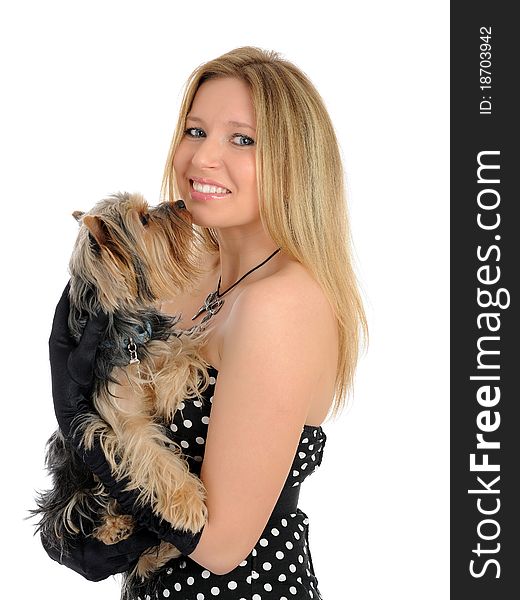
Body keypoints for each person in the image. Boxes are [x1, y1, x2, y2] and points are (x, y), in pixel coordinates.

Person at [47, 46, 367, 599]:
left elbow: (220, 547)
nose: (202, 159)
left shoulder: (282, 303)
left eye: (242, 139)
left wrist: (81, 421)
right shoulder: (189, 284)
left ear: (294, 162)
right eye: (195, 131)